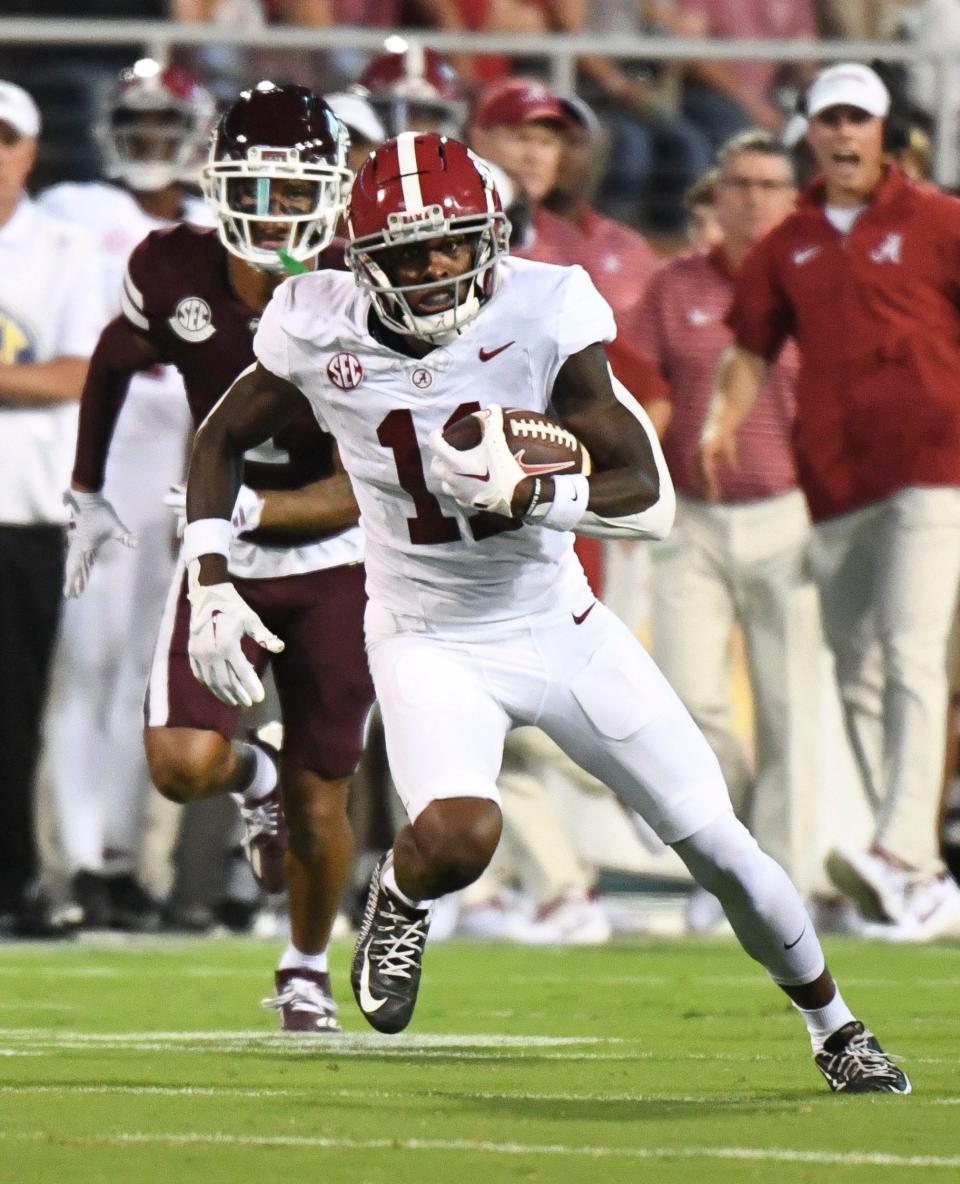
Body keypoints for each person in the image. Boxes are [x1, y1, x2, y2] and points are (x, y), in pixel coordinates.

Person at [186, 130, 908, 1093]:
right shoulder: (317, 322)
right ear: (362, 261)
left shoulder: (544, 305)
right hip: (427, 635)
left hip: (559, 624)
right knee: (460, 836)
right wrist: (207, 576)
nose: (438, 267)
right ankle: (397, 895)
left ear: (489, 235)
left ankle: (837, 1027)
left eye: (454, 243)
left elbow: (647, 494)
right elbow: (219, 437)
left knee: (721, 845)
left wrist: (535, 496)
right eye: (411, 252)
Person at [65, 82, 374, 1026]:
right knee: (184, 764)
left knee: (328, 802)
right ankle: (258, 778)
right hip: (220, 549)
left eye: (296, 191)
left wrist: (261, 507)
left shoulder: (365, 282)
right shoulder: (172, 266)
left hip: (339, 551)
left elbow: (372, 470)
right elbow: (117, 356)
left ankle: (305, 966)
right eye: (258, 187)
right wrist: (86, 488)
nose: (276, 212)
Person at [699, 62, 960, 942]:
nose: (843, 134)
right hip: (837, 480)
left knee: (913, 649)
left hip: (935, 466)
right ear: (810, 131)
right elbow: (750, 346)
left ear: (884, 131)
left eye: (858, 119)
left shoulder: (939, 221)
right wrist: (722, 421)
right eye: (829, 119)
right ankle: (914, 873)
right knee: (858, 667)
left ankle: (900, 850)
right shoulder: (791, 242)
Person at [38, 59, 217, 930]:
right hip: (99, 442)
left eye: (163, 127)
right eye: (136, 126)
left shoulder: (221, 225)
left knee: (148, 674)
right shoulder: (78, 214)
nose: (150, 144)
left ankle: (120, 856)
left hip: (192, 453)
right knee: (86, 663)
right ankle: (76, 856)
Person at [638, 131, 824, 927]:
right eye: (739, 183)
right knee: (689, 701)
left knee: (789, 707)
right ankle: (732, 862)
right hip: (693, 518)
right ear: (715, 197)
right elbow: (640, 386)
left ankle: (778, 884)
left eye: (770, 184)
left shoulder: (822, 285)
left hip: (791, 515)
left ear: (794, 198)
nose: (753, 197)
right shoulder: (672, 286)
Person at [0, 80, 106, 937]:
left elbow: (75, 371)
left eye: (4, 139)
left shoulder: (68, 250)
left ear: (30, 152)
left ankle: (15, 882)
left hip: (24, 511)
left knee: (16, 709)